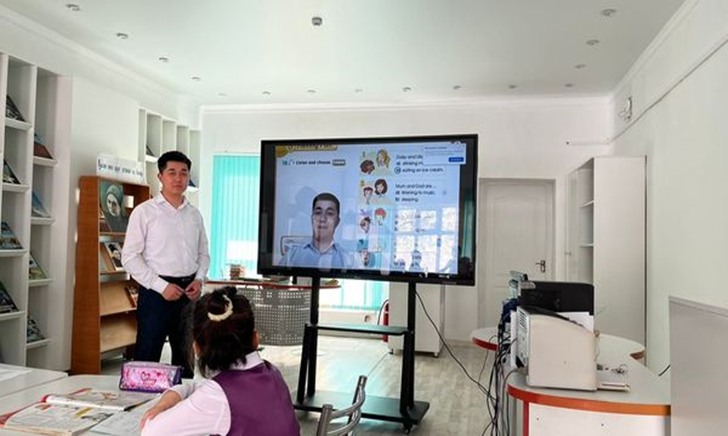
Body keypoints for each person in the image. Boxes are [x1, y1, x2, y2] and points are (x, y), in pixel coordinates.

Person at [140, 287, 300, 436]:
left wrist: (162, 405)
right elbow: (204, 388)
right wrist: (178, 392)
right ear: (255, 339)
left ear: (196, 348)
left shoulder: (218, 396)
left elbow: (151, 431)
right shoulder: (272, 373)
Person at [122, 151, 210, 378]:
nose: (178, 178)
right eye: (172, 172)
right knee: (147, 357)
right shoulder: (144, 212)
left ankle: (182, 399)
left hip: (189, 293)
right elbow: (129, 257)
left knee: (185, 360)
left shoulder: (194, 215)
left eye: (184, 173)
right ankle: (140, 401)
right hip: (156, 293)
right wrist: (161, 286)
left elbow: (203, 254)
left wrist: (199, 279)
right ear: (160, 176)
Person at [282, 193, 352, 269]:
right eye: (318, 213)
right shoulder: (292, 255)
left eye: (329, 214)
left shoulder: (347, 260)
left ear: (337, 221)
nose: (322, 219)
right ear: (312, 219)